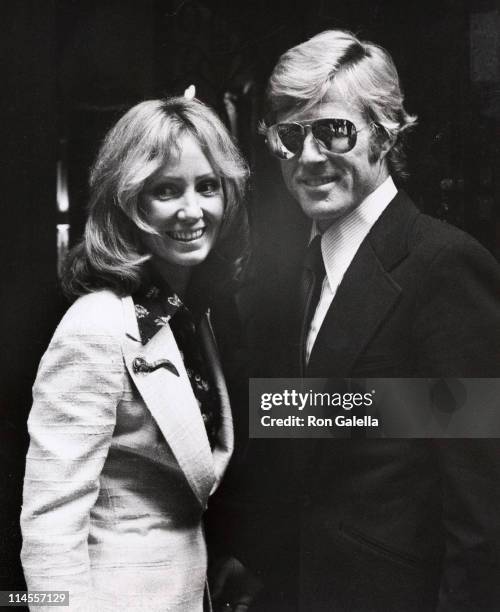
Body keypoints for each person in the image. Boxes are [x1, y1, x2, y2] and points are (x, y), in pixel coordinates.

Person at [213, 30, 500, 611]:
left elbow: (484, 507)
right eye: (292, 136)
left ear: (385, 132)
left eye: (334, 130)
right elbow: (313, 431)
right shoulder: (296, 268)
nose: (310, 157)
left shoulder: (444, 264)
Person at [20, 96, 248, 612]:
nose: (193, 211)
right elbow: (50, 525)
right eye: (166, 191)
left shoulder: (192, 315)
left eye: (207, 186)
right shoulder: (97, 325)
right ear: (128, 202)